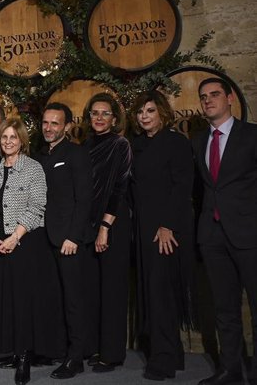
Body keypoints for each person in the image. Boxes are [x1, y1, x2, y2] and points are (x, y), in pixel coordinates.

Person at [0, 118, 66, 385]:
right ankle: (15, 349)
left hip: (26, 243)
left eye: (13, 138)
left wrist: (15, 237)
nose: (8, 142)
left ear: (22, 141)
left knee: (23, 302)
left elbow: (37, 206)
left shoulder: (33, 168)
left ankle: (24, 358)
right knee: (5, 299)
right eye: (4, 138)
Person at [192, 78, 257, 385]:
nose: (208, 101)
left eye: (215, 95)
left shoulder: (252, 135)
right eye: (203, 97)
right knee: (224, 309)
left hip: (249, 234)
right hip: (213, 237)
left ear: (230, 98)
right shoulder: (198, 140)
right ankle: (231, 370)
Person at [130, 90, 195, 381]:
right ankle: (174, 353)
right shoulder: (137, 145)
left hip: (164, 229)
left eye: (150, 111)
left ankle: (163, 360)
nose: (144, 116)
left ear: (163, 114)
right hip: (143, 228)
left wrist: (168, 224)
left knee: (161, 294)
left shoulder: (176, 142)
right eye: (141, 112)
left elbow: (182, 187)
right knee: (153, 291)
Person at [34, 103, 93, 379]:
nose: (49, 128)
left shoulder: (76, 154)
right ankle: (56, 349)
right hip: (45, 240)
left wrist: (74, 236)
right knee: (53, 297)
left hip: (68, 240)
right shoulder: (40, 155)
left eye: (55, 123)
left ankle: (76, 357)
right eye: (45, 123)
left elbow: (84, 200)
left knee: (73, 300)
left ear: (67, 126)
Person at [80, 92, 132, 371]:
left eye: (105, 114)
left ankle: (111, 354)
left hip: (112, 226)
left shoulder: (120, 144)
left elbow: (119, 189)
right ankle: (93, 346)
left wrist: (104, 227)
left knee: (112, 291)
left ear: (114, 118)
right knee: (92, 290)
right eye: (94, 113)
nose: (99, 118)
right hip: (89, 227)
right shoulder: (87, 144)